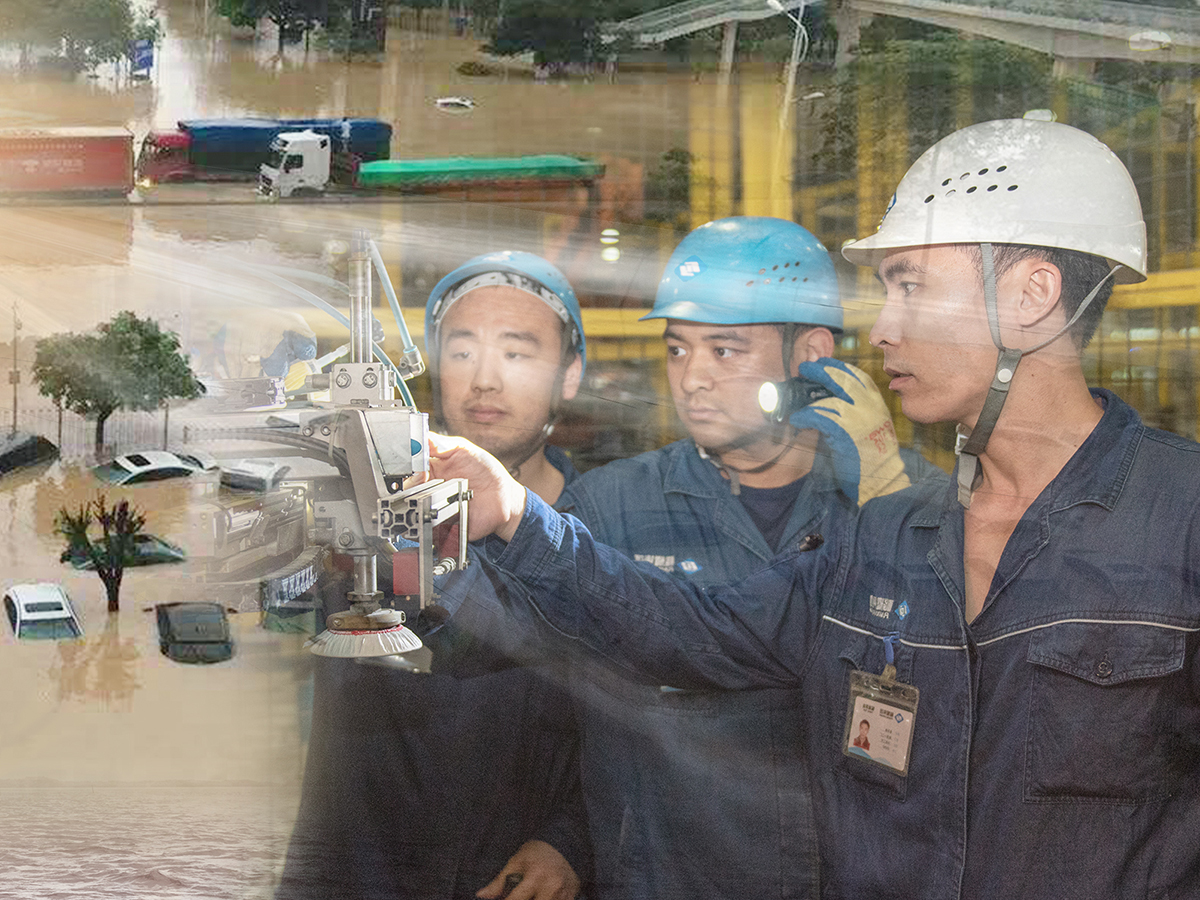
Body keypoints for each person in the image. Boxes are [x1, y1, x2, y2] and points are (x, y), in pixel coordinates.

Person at [428, 117, 1200, 898]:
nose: (886, 326)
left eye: (912, 286)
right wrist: (520, 514)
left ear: (1032, 295)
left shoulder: (1183, 522)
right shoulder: (891, 533)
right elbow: (690, 630)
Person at [550, 216, 935, 900]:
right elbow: (539, 702)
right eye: (677, 350)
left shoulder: (913, 500)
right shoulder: (608, 510)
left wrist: (886, 507)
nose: (692, 378)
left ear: (810, 355)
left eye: (725, 351)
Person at [277, 251, 590, 900]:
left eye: (517, 353)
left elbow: (649, 734)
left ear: (571, 377)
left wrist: (574, 841)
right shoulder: (358, 516)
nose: (484, 380)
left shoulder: (605, 545)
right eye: (461, 350)